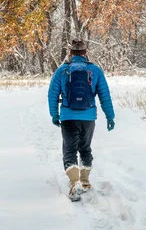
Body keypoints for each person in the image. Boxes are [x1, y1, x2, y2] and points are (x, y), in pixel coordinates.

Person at [47, 39, 115, 201]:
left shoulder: (62, 71)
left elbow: (52, 95)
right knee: (85, 148)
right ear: (85, 53)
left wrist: (55, 115)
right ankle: (85, 182)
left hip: (68, 116)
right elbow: (105, 95)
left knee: (69, 150)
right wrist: (110, 116)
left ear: (70, 53)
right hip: (88, 117)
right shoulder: (95, 71)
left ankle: (74, 182)